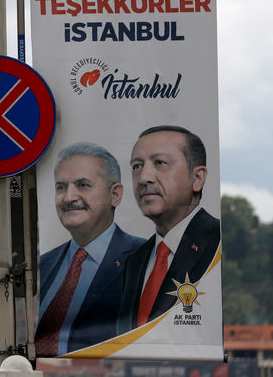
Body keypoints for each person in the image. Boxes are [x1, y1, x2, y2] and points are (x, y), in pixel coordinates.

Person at [36, 142, 144, 356]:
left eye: (83, 185)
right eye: (61, 187)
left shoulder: (146, 259)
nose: (69, 197)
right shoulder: (42, 265)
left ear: (115, 195)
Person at [117, 125, 221, 334]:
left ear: (197, 178)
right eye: (137, 166)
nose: (144, 177)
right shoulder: (134, 261)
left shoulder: (221, 243)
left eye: (160, 163)